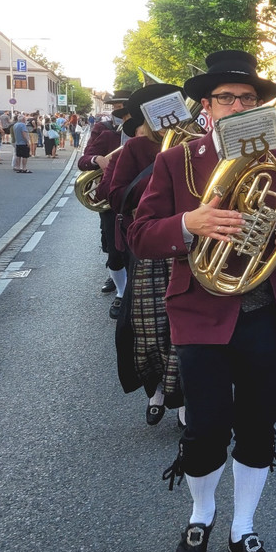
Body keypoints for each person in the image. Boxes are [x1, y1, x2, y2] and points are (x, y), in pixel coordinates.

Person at [128, 50, 276, 552]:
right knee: (206, 428)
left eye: (249, 99)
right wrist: (189, 221)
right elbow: (139, 235)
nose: (238, 107)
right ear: (206, 107)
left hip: (263, 315)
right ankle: (201, 515)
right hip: (201, 313)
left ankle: (244, 526)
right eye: (227, 99)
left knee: (258, 425)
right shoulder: (175, 161)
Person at [105, 83, 188, 429]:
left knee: (183, 323)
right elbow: (116, 196)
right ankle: (155, 391)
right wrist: (160, 171)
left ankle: (184, 398)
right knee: (149, 327)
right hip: (150, 248)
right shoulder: (137, 147)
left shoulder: (192, 144)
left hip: (186, 243)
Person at [81, 92, 132, 298]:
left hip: (135, 195)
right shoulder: (104, 130)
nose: (119, 109)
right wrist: (97, 160)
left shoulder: (142, 130)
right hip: (110, 196)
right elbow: (84, 160)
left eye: (123, 105)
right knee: (112, 245)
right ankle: (120, 288)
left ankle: (129, 287)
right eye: (116, 105)